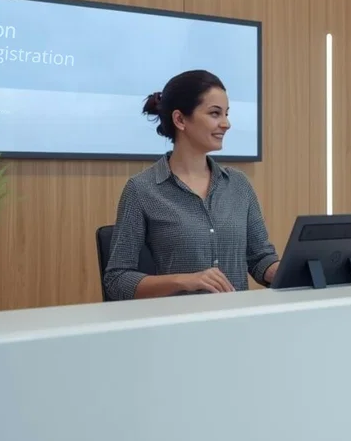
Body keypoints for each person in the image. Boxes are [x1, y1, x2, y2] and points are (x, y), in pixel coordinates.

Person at [103, 69, 279, 300]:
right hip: (178, 328)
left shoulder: (238, 185)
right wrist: (185, 280)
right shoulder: (142, 189)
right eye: (215, 113)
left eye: (226, 114)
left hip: (237, 326)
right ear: (180, 119)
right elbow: (117, 280)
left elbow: (260, 260)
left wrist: (297, 270)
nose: (226, 124)